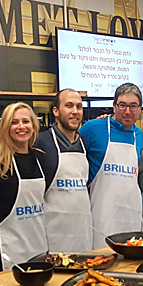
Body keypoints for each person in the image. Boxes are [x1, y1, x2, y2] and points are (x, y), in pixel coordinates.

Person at [0, 102, 47, 271]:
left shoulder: (41, 159)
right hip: (6, 247)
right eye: (14, 122)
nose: (21, 127)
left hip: (38, 242)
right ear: (5, 127)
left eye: (26, 121)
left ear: (33, 126)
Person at [79, 83, 143, 248]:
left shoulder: (139, 135)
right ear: (114, 106)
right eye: (122, 105)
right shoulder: (92, 128)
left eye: (133, 106)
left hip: (131, 214)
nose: (127, 111)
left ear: (139, 109)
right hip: (102, 215)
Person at [35, 89, 92, 252]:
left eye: (79, 107)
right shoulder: (42, 142)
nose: (75, 111)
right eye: (69, 106)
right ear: (56, 111)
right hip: (53, 233)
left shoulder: (84, 143)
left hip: (82, 231)